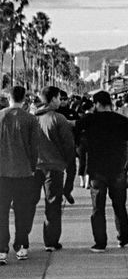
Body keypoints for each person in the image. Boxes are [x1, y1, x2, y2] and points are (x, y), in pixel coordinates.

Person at [77, 90, 128, 251]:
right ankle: (123, 237)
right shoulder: (122, 120)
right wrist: (124, 162)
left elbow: (74, 132)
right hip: (117, 169)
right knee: (119, 205)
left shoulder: (89, 120)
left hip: (97, 170)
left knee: (98, 207)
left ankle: (100, 243)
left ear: (96, 104)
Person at [0, 84, 41, 263]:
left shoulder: (0, 116)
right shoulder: (31, 120)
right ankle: (22, 246)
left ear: (9, 97)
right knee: (23, 211)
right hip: (24, 172)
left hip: (2, 173)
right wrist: (32, 168)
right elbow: (35, 148)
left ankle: (1, 249)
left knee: (1, 213)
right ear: (24, 99)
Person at [34, 86, 76, 252]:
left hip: (35, 166)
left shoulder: (32, 118)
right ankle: (51, 241)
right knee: (52, 204)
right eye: (59, 98)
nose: (60, 101)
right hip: (54, 167)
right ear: (52, 100)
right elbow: (68, 144)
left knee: (28, 203)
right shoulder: (59, 119)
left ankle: (22, 241)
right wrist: (69, 163)